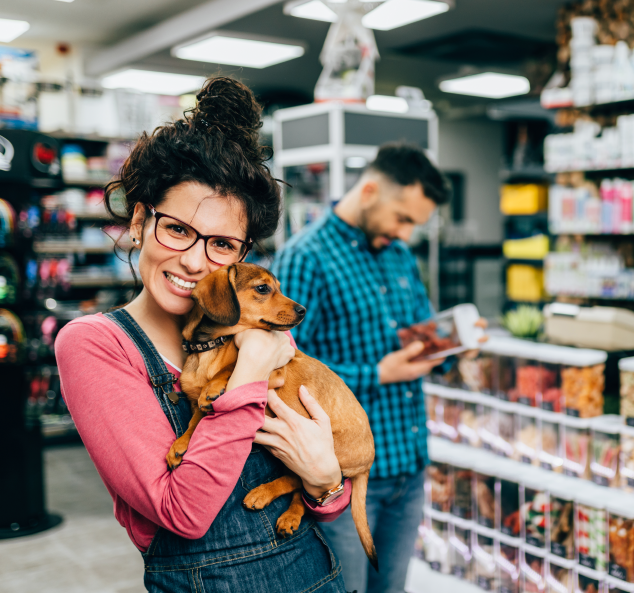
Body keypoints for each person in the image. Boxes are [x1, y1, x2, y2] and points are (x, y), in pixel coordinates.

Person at [55, 77, 350, 593]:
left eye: (222, 244)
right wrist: (252, 373)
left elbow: (325, 502)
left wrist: (326, 483)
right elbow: (183, 513)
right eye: (178, 230)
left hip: (314, 573)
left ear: (242, 255)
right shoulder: (97, 344)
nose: (194, 261)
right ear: (142, 219)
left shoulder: (255, 323)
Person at [273, 143, 480, 593]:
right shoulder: (304, 257)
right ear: (369, 190)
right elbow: (283, 372)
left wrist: (451, 349)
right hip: (344, 477)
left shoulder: (398, 254)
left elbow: (418, 343)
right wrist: (378, 374)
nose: (406, 232)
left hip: (409, 464)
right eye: (402, 218)